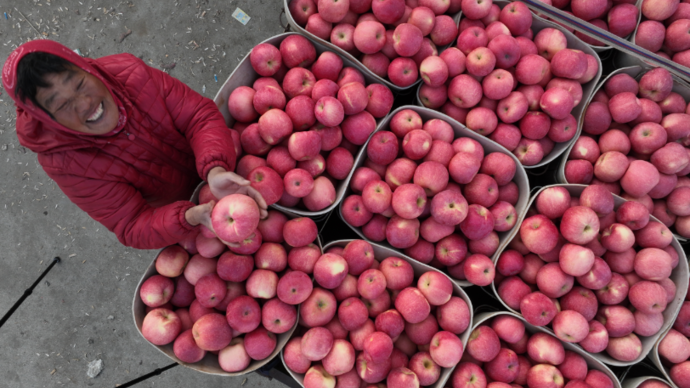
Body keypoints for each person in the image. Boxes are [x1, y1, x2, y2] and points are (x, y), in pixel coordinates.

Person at [2, 40, 266, 249]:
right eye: (62, 105)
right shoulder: (65, 163)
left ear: (88, 69)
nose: (85, 104)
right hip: (183, 212)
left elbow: (198, 116)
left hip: (225, 167)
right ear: (49, 120)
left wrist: (215, 169)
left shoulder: (129, 73)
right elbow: (131, 225)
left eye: (80, 83)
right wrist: (189, 218)